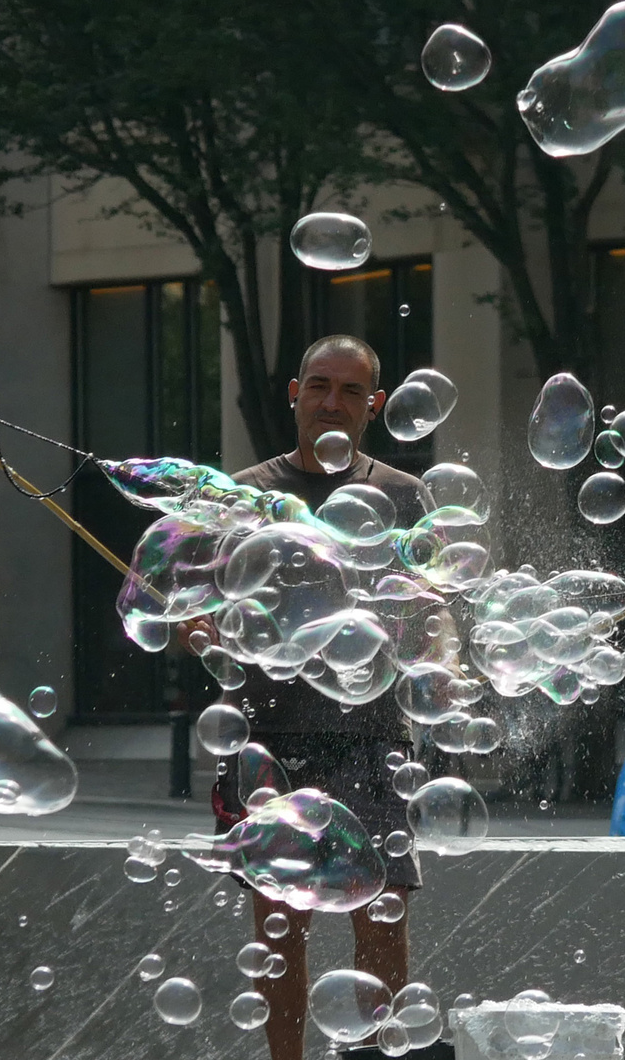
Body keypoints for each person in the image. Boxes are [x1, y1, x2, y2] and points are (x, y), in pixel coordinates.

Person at [180, 334, 435, 1060]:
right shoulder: (248, 494)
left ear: (375, 404)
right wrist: (200, 632)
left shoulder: (403, 496)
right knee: (279, 925)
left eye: (351, 391)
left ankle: (378, 1055)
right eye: (319, 385)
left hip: (373, 732)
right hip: (271, 734)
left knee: (382, 917)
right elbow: (192, 614)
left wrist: (440, 659)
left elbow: (427, 608)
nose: (333, 401)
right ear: (294, 391)